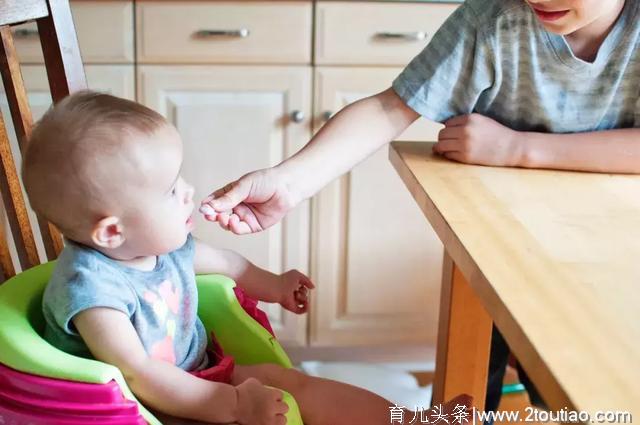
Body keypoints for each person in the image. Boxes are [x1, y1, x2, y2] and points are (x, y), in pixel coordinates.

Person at [199, 0, 640, 414]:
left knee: (574, 385)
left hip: (605, 254)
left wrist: (517, 148)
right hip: (495, 244)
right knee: (474, 379)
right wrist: (289, 183)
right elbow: (391, 108)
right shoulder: (492, 20)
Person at [23, 91, 471, 425]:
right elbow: (138, 377)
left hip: (197, 374)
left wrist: (275, 285)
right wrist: (236, 406)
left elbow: (230, 265)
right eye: (169, 190)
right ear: (112, 231)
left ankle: (416, 421)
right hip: (140, 409)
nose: (188, 192)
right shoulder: (95, 293)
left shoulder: (161, 247)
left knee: (296, 384)